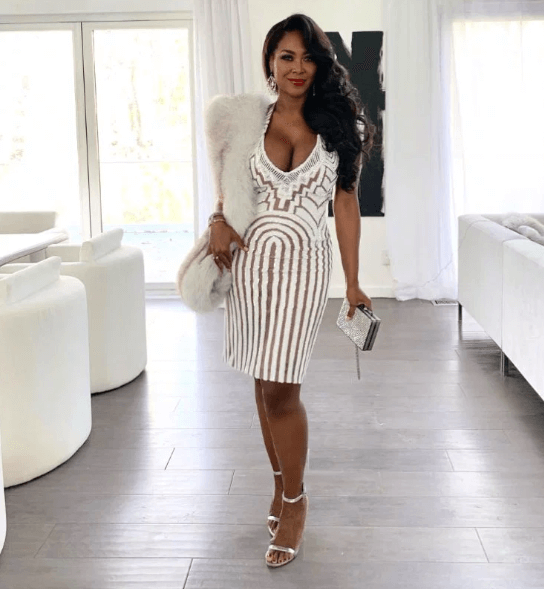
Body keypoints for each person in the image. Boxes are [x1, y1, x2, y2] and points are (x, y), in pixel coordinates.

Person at [205, 13, 375, 568]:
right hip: (251, 272)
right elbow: (228, 186)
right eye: (287, 57)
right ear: (270, 63)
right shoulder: (248, 121)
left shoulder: (339, 127)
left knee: (282, 390)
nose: (297, 68)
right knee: (263, 384)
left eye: (307, 57)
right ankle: (280, 483)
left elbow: (345, 204)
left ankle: (296, 502)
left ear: (319, 64)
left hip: (304, 272)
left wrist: (353, 281)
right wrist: (217, 219)